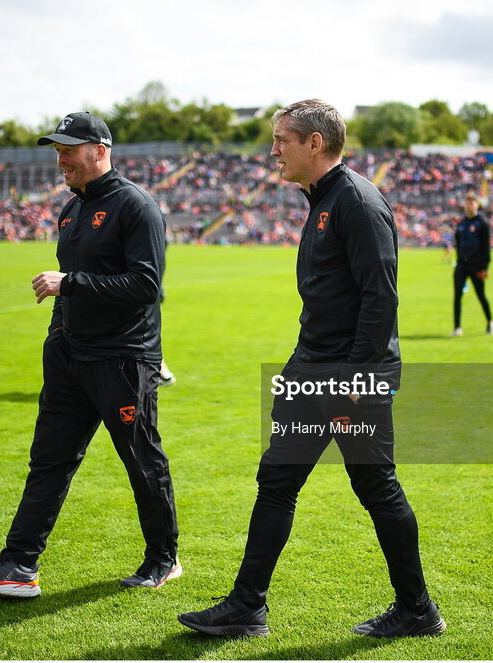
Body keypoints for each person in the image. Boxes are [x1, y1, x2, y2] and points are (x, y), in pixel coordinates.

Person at [178, 100, 445, 639]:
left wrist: (354, 378)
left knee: (376, 487)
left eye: (282, 139)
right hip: (312, 373)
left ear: (314, 144)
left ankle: (417, 609)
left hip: (349, 380)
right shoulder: (322, 199)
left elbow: (379, 299)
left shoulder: (357, 202)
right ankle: (247, 605)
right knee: (277, 481)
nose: (273, 150)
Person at [0, 112, 179, 598]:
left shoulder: (135, 206)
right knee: (49, 461)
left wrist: (69, 283)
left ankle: (163, 559)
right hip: (69, 356)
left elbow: (146, 286)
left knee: (141, 460)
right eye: (56, 150)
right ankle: (19, 565)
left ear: (99, 150)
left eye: (69, 149)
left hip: (121, 359)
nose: (60, 159)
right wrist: (57, 335)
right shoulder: (71, 209)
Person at [450, 194, 493, 336]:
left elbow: (486, 247)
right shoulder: (462, 223)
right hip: (462, 265)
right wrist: (457, 261)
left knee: (481, 295)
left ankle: (490, 321)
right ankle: (457, 328)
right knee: (457, 296)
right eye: (467, 203)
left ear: (477, 204)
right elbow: (458, 244)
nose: (469, 205)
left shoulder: (482, 223)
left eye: (472, 203)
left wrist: (485, 267)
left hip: (477, 265)